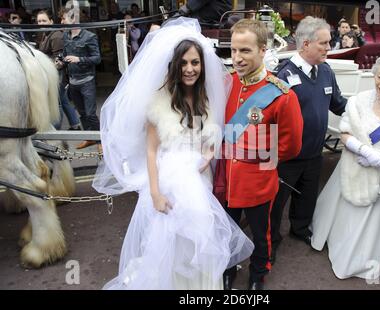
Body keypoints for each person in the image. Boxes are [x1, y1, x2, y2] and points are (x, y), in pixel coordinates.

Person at [93, 17, 253, 290]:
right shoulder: (159, 102)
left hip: (199, 181)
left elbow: (211, 135)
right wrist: (155, 193)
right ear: (174, 65)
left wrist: (208, 153)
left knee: (198, 244)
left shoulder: (205, 99)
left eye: (195, 63)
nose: (190, 69)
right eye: (184, 63)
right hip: (169, 182)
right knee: (171, 244)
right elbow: (151, 150)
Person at [310, 51, 380, 280]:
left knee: (372, 227)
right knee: (347, 218)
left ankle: (359, 260)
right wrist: (362, 150)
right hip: (354, 169)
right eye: (379, 76)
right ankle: (339, 247)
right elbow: (344, 132)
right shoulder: (359, 100)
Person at [219, 19, 303, 290]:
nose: (237, 58)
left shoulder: (280, 95)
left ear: (262, 50)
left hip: (257, 180)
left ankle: (257, 275)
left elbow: (290, 146)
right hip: (225, 179)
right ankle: (228, 268)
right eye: (233, 50)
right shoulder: (227, 84)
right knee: (227, 230)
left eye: (245, 51)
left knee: (260, 234)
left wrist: (254, 154)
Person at [270, 17, 347, 263]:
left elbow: (338, 104)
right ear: (305, 44)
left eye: (329, 42)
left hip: (315, 154)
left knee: (307, 197)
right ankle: (272, 239)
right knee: (276, 202)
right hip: (286, 157)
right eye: (323, 43)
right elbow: (268, 117)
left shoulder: (325, 70)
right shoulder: (281, 74)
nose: (328, 47)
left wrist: (368, 111)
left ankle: (300, 229)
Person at [59, 8, 102, 150]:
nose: (62, 21)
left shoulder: (89, 36)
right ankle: (89, 138)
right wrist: (61, 62)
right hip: (72, 81)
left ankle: (101, 141)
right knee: (82, 113)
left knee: (90, 114)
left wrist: (79, 59)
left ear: (74, 20)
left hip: (87, 80)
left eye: (64, 19)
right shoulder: (65, 36)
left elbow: (97, 58)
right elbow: (65, 55)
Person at [36, 9, 81, 131]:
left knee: (57, 103)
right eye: (39, 21)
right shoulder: (46, 34)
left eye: (44, 20)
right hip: (53, 73)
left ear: (51, 21)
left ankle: (56, 131)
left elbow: (59, 61)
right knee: (64, 100)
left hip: (57, 75)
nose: (41, 23)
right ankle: (75, 124)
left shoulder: (55, 36)